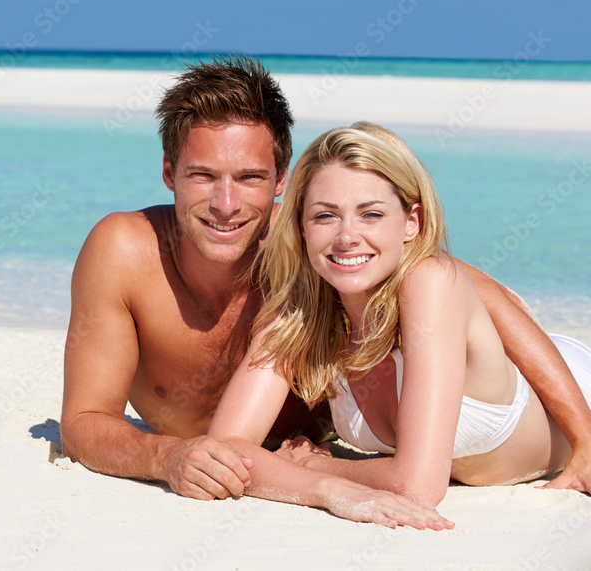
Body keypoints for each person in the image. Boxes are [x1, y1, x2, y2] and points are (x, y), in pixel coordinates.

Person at [60, 56, 591, 520]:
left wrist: (583, 433)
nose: (226, 204)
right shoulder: (302, 284)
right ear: (169, 172)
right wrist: (170, 457)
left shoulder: (330, 256)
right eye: (203, 176)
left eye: (249, 178)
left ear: (280, 180)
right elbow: (96, 424)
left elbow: (480, 293)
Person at [209, 122, 591, 519]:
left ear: (412, 222)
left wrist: (317, 465)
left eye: (371, 214)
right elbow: (224, 449)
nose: (346, 237)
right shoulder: (299, 312)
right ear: (302, 227)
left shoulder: (429, 281)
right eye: (325, 216)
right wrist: (326, 489)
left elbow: (417, 487)